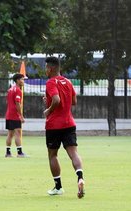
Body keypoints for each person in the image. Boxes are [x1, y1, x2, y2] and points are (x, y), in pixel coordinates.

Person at [43, 56, 85, 199]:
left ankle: (58, 187)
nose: (46, 70)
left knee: (53, 155)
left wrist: (48, 109)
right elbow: (74, 101)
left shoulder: (50, 82)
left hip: (54, 125)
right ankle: (80, 177)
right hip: (69, 123)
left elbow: (56, 100)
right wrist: (49, 101)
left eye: (46, 68)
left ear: (51, 68)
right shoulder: (68, 82)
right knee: (74, 153)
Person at [4, 73, 26, 158]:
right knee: (18, 133)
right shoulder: (18, 90)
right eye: (22, 79)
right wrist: (21, 116)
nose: (23, 81)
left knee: (10, 134)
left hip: (8, 114)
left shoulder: (10, 89)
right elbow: (17, 104)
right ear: (17, 80)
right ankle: (19, 153)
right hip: (14, 115)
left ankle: (8, 153)